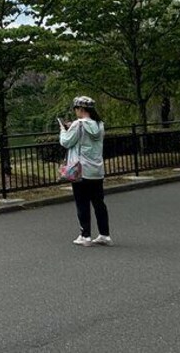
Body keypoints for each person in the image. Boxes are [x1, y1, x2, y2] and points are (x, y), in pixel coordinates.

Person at [59, 95, 112, 247]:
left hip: (80, 170)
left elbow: (66, 142)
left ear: (80, 109)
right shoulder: (99, 124)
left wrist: (63, 130)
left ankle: (85, 235)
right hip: (97, 169)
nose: (75, 112)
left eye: (76, 109)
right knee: (98, 202)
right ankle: (104, 234)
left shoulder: (78, 124)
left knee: (82, 202)